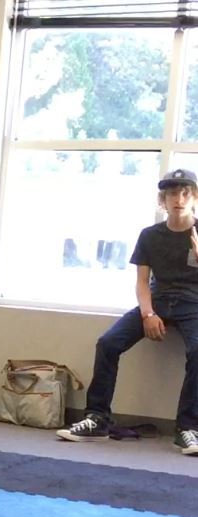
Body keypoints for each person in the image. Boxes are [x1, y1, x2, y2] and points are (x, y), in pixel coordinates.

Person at [57, 168, 198, 456]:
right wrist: (148, 314)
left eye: (185, 193)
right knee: (108, 343)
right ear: (162, 200)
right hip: (157, 301)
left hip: (192, 304)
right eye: (172, 193)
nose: (179, 199)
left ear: (194, 198)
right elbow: (142, 282)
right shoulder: (150, 235)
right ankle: (97, 419)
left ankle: (188, 428)